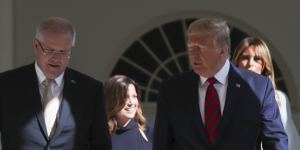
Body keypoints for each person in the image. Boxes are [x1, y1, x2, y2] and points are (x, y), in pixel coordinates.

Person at [153, 18, 288, 150]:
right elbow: (162, 143)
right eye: (191, 47)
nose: (193, 54)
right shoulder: (171, 89)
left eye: (201, 48)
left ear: (222, 51)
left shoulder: (259, 87)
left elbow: (275, 140)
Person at [0, 17, 111, 150]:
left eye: (63, 52)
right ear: (36, 46)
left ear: (71, 49)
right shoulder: (6, 85)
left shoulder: (91, 91)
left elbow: (101, 145)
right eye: (49, 50)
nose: (56, 58)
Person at [232, 36, 300, 150]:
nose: (250, 64)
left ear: (264, 65)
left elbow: (290, 139)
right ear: (237, 62)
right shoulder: (223, 95)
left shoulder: (279, 98)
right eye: (245, 58)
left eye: (257, 59)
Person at [104, 75, 153, 150]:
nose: (131, 102)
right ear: (112, 101)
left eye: (134, 96)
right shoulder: (100, 136)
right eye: (125, 97)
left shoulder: (148, 132)